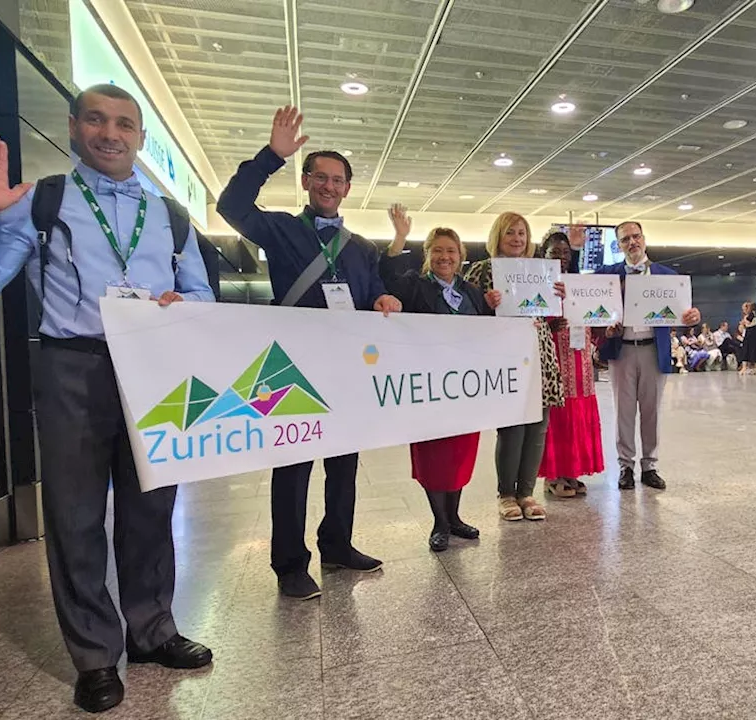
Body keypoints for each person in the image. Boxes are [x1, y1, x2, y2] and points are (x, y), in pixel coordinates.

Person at [0, 84, 214, 713]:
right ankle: (95, 655)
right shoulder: (43, 202)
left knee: (153, 508)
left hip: (155, 367)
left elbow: (202, 292)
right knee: (74, 516)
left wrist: (185, 305)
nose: (110, 133)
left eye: (124, 123)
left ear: (140, 138)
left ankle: (152, 631)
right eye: (96, 119)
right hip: (73, 366)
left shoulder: (170, 214)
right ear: (73, 127)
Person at [217, 105, 402, 600]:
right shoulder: (281, 230)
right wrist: (269, 156)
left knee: (344, 462)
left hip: (345, 368)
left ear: (346, 188)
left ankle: (337, 544)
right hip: (292, 368)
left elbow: (373, 293)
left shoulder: (361, 248)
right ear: (305, 181)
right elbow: (231, 206)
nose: (328, 185)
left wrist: (384, 299)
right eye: (319, 177)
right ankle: (289, 563)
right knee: (294, 466)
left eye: (337, 180)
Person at [381, 207, 500, 550]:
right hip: (429, 389)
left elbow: (488, 332)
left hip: (465, 389)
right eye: (438, 250)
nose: (445, 257)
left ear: (461, 256)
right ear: (427, 255)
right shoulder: (413, 286)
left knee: (460, 453)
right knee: (433, 455)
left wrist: (494, 305)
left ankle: (455, 517)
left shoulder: (473, 293)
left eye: (451, 251)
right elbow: (385, 277)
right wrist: (399, 238)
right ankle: (439, 521)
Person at [463, 213, 565, 521]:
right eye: (510, 232)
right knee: (512, 426)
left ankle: (527, 493)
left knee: (538, 426)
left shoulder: (542, 271)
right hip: (504, 355)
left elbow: (553, 319)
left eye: (522, 233)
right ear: (497, 236)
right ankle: (506, 493)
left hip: (539, 351)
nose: (517, 238)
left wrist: (559, 301)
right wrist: (485, 303)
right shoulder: (482, 271)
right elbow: (464, 312)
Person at [598, 221, 701, 491]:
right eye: (625, 240)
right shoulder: (608, 275)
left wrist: (693, 316)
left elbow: (684, 312)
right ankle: (625, 466)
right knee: (623, 412)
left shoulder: (668, 276)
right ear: (618, 245)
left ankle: (650, 465)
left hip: (654, 350)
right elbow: (583, 293)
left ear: (644, 239)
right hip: (621, 351)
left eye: (636, 237)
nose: (632, 243)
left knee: (651, 411)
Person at [538, 231, 605, 499]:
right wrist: (549, 324)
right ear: (544, 255)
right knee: (558, 416)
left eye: (566, 253)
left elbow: (593, 319)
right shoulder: (538, 284)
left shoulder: (580, 285)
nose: (562, 258)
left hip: (580, 361)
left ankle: (572, 471)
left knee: (579, 413)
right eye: (555, 253)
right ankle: (553, 475)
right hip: (554, 362)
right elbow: (529, 320)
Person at [738, 301, 756, 375]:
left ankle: (744, 368)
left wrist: (743, 322)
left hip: (750, 336)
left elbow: (747, 323)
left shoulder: (750, 315)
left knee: (746, 351)